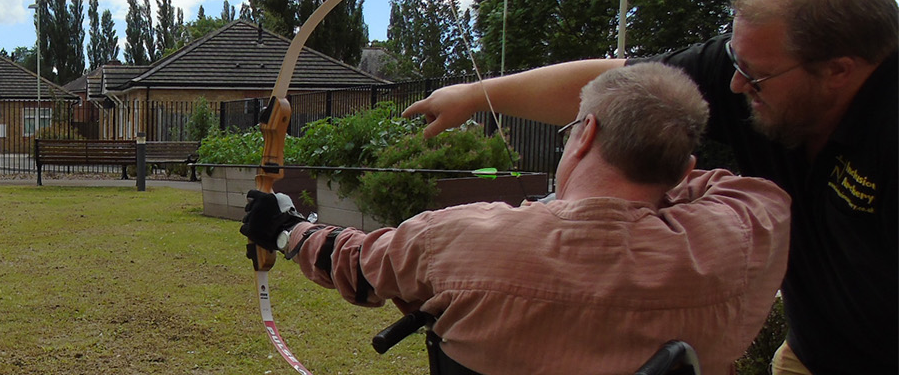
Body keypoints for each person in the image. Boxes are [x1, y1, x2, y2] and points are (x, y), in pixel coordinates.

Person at [398, 0, 896, 373]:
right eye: (734, 60)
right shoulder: (757, 69)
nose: (735, 84)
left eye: (756, 74)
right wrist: (479, 94)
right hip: (807, 352)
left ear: (839, 71)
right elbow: (618, 85)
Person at [242, 63, 791, 374]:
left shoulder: (461, 237)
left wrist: (286, 228)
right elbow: (724, 184)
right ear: (683, 168)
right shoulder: (746, 230)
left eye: (572, 130)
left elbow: (356, 264)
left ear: (588, 134)